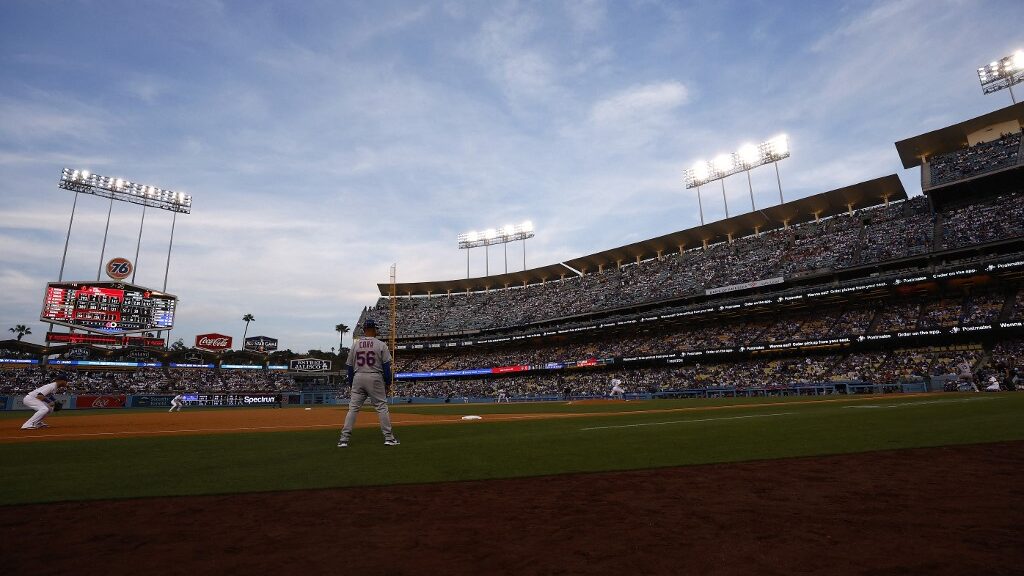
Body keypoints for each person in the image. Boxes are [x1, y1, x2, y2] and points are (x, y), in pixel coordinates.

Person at [338, 319, 400, 447]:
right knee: (382, 407)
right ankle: (389, 438)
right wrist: (388, 383)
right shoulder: (380, 344)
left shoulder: (356, 345)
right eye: (376, 329)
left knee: (353, 409)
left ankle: (343, 439)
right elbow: (386, 367)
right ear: (373, 329)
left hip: (358, 376)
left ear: (364, 330)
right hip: (374, 376)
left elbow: (349, 367)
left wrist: (351, 384)